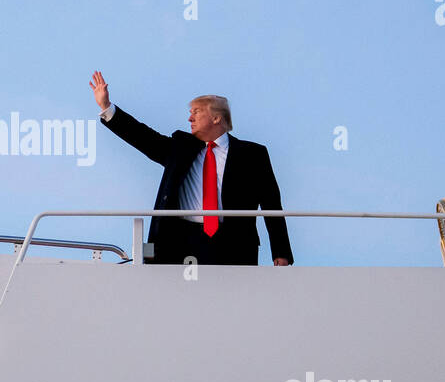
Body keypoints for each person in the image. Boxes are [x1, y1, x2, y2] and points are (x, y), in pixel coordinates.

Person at [89, 70, 293, 266]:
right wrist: (107, 107)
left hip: (233, 243)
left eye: (196, 112)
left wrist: (281, 252)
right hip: (181, 240)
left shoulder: (253, 154)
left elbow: (271, 204)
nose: (190, 118)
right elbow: (143, 137)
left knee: (230, 300)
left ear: (216, 118)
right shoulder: (180, 147)